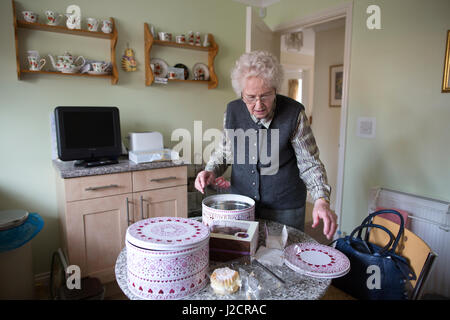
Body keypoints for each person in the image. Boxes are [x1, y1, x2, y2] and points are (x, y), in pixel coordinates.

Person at [195, 51, 337, 240]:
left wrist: (321, 199)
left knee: (284, 258)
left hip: (285, 207)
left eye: (266, 96)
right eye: (251, 97)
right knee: (244, 257)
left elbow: (309, 163)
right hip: (242, 205)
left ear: (275, 90)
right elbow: (225, 152)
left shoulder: (294, 113)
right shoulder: (233, 111)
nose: (259, 104)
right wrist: (211, 170)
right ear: (241, 94)